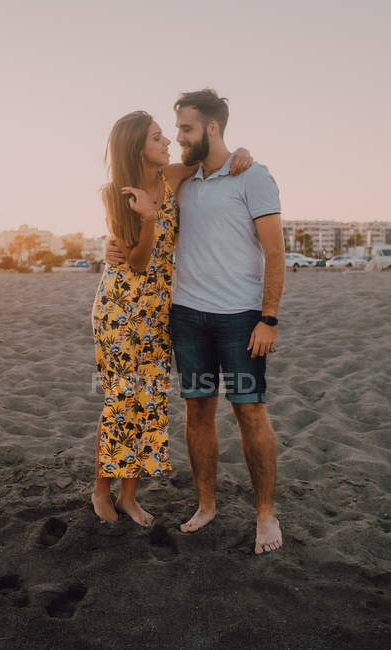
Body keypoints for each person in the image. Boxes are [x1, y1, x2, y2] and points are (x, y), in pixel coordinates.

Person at [106, 90, 285, 554]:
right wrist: (111, 247)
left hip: (241, 318)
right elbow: (128, 192)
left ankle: (265, 513)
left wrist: (268, 318)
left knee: (250, 411)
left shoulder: (253, 175)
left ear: (211, 128)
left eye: (186, 129)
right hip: (186, 316)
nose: (178, 137)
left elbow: (275, 253)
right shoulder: (179, 179)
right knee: (197, 411)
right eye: (174, 130)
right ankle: (206, 505)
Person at [92, 110, 252, 527]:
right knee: (121, 399)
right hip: (122, 308)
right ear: (136, 148)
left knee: (148, 401)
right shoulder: (114, 194)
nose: (167, 143)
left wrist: (242, 152)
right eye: (156, 138)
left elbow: (210, 158)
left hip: (159, 309)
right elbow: (139, 262)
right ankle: (101, 489)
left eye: (165, 136)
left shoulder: (173, 176)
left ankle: (129, 496)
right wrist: (147, 218)